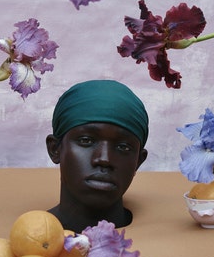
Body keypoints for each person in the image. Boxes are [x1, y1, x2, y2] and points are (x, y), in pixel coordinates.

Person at [45, 79, 149, 232]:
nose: (104, 159)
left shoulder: (164, 242)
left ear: (138, 161)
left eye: (123, 147)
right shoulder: (27, 241)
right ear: (55, 149)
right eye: (86, 141)